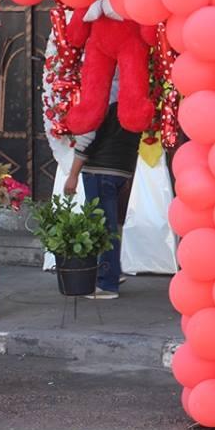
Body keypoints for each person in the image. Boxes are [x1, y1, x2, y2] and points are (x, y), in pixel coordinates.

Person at [64, 97, 141, 300]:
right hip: (122, 169)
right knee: (112, 225)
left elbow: (86, 139)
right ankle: (112, 271)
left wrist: (73, 175)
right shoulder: (133, 104)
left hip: (100, 169)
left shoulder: (102, 101)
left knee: (103, 227)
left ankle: (107, 283)